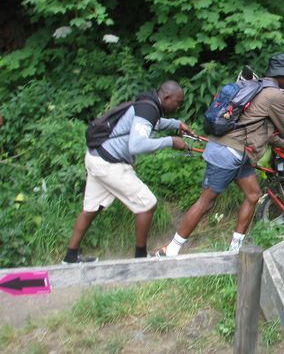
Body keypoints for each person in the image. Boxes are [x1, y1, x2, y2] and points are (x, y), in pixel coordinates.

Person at [159, 54, 284, 256]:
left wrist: (283, 143)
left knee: (253, 195)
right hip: (227, 152)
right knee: (206, 202)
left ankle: (234, 251)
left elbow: (260, 128)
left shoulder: (259, 87)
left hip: (241, 153)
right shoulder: (274, 95)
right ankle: (171, 249)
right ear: (280, 75)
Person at [63, 81, 192, 263]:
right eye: (178, 102)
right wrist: (170, 141)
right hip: (109, 164)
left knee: (91, 209)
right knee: (147, 204)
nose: (179, 106)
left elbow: (151, 123)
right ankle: (140, 259)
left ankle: (69, 258)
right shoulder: (149, 109)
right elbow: (136, 145)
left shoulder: (147, 104)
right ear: (167, 98)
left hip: (96, 156)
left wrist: (176, 124)